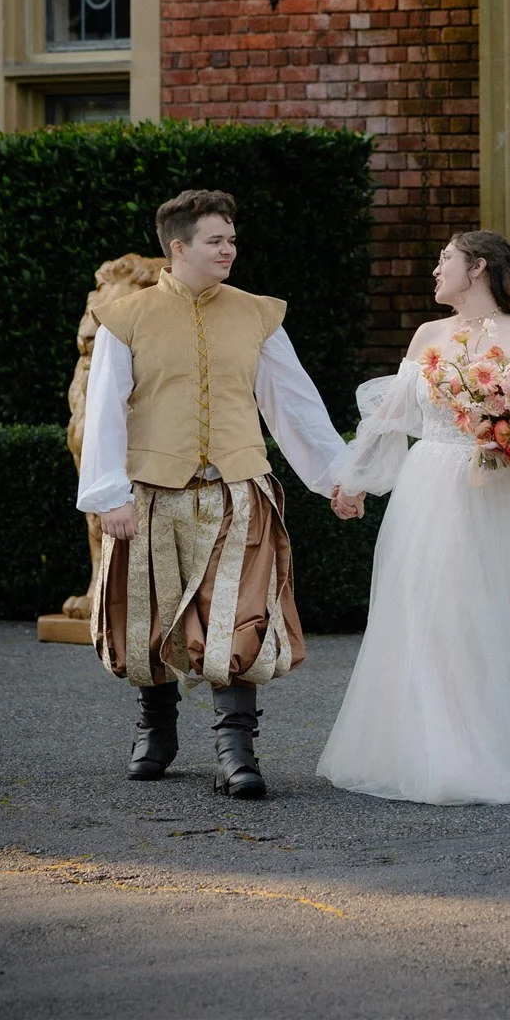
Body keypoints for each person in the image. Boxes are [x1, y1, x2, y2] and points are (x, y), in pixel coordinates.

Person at [318, 229, 510, 805]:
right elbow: (390, 418)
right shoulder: (426, 335)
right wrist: (354, 478)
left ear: (478, 267)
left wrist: (509, 435)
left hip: (498, 493)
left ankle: (507, 744)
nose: (436, 270)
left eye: (445, 260)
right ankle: (442, 747)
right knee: (434, 613)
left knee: (498, 611)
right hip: (431, 489)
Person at [76, 187, 362, 800]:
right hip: (152, 494)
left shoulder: (257, 314)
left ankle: (236, 748)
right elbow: (104, 413)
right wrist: (108, 495)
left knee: (240, 617)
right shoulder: (126, 318)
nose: (229, 249)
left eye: (232, 239)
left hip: (238, 492)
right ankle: (156, 730)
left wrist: (338, 478)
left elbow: (293, 405)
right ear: (178, 248)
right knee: (148, 616)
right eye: (216, 240)